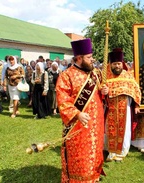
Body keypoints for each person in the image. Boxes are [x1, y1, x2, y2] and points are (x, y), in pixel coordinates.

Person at [56, 38, 109, 182]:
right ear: (79, 58)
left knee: (95, 150)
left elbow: (101, 95)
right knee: (80, 155)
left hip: (96, 124)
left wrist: (105, 91)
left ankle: (94, 176)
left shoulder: (96, 73)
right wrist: (77, 113)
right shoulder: (66, 76)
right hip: (78, 126)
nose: (92, 60)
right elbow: (62, 100)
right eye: (89, 57)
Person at [104, 48, 141, 161]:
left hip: (125, 107)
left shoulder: (127, 75)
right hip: (109, 108)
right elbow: (98, 90)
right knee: (109, 129)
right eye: (115, 64)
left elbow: (136, 89)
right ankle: (110, 150)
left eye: (119, 64)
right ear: (110, 64)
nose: (117, 66)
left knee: (124, 130)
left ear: (122, 63)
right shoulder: (105, 76)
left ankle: (122, 150)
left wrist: (137, 105)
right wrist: (103, 91)